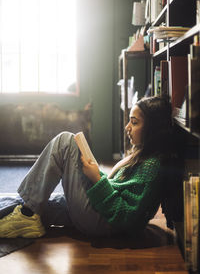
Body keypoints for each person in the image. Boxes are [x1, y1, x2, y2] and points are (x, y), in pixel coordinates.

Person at [0, 95, 181, 239]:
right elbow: (116, 190)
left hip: (103, 222)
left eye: (134, 122)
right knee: (34, 203)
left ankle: (26, 214)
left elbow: (127, 219)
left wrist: (96, 178)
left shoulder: (152, 167)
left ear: (152, 129)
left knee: (66, 141)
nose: (127, 127)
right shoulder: (141, 156)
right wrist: (96, 174)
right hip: (99, 213)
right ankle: (26, 214)